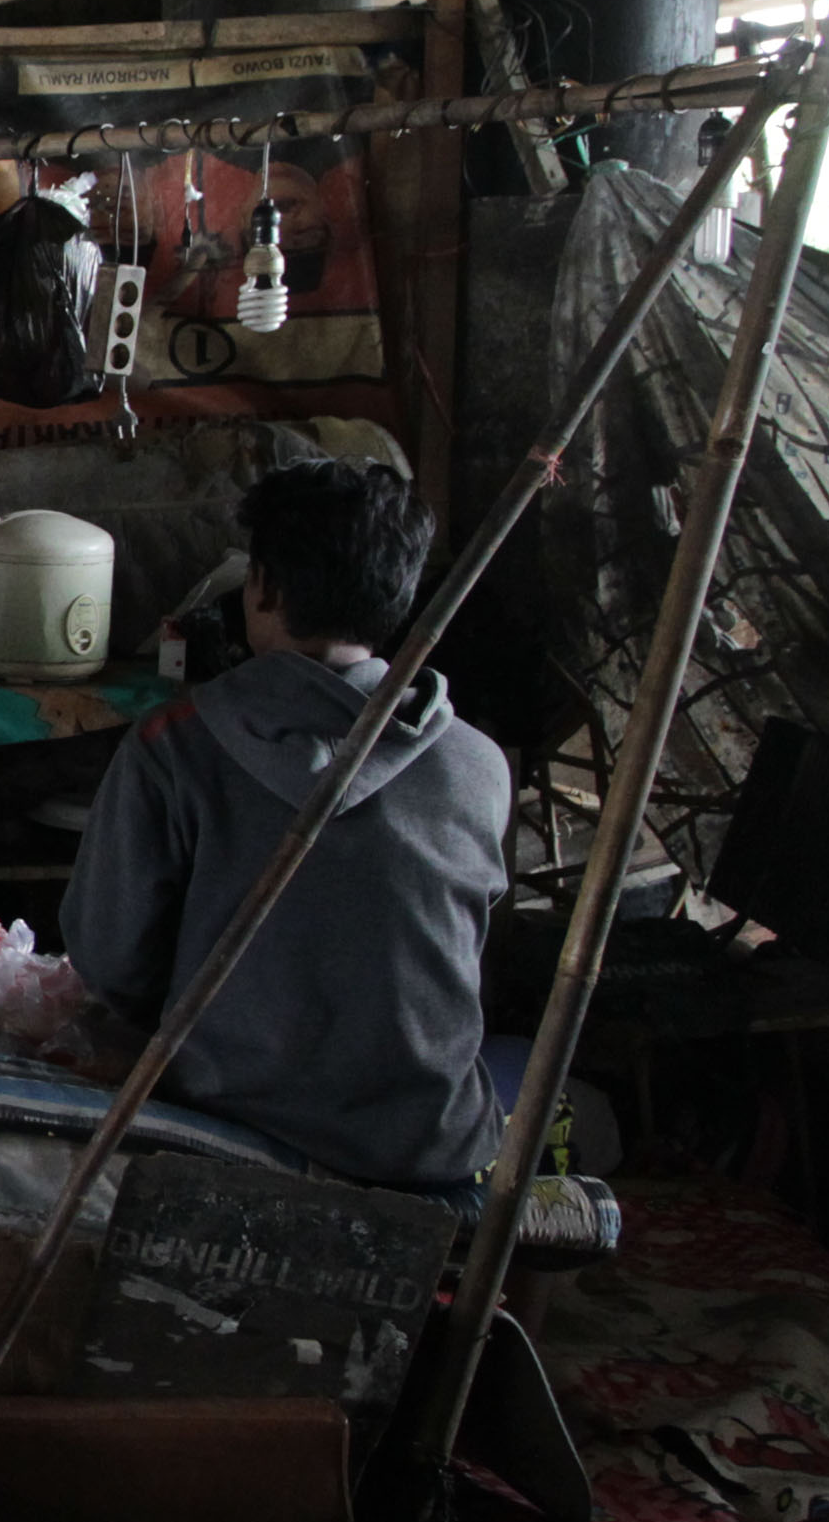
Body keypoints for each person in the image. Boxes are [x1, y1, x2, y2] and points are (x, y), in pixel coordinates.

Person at [61, 457, 510, 1191]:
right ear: (398, 593)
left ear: (263, 587)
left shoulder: (174, 747)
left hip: (226, 1128)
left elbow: (111, 964)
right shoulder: (478, 764)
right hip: (427, 1146)